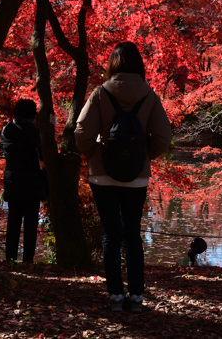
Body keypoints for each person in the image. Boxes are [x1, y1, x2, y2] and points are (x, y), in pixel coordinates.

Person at [75, 42, 173, 312]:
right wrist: (145, 156)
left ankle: (116, 296)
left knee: (110, 234)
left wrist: (95, 154)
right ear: (138, 64)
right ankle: (137, 297)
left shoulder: (100, 93)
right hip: (136, 177)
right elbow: (164, 137)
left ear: (112, 64)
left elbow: (82, 132)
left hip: (102, 176)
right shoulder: (149, 96)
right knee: (132, 234)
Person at [0, 98, 48, 264]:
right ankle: (28, 259)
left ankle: (10, 258)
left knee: (13, 222)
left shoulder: (7, 130)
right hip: (32, 183)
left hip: (13, 181)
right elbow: (43, 155)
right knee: (30, 223)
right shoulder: (33, 132)